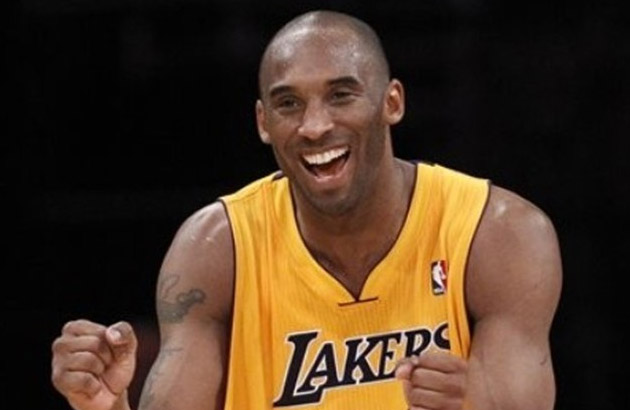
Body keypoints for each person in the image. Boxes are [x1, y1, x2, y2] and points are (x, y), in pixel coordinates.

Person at [51, 9, 562, 410]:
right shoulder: (216, 248)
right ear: (263, 122)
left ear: (392, 102)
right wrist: (108, 406)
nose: (315, 126)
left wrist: (479, 403)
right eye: (289, 104)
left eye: (341, 95)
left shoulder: (498, 234)